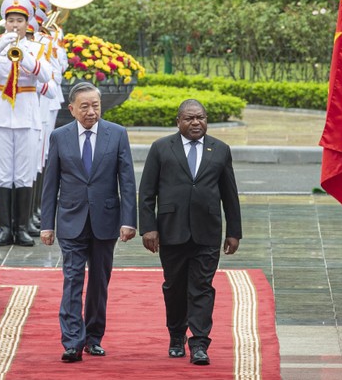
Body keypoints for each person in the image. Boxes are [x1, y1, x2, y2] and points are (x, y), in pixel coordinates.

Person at [138, 99, 242, 366]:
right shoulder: (161, 148)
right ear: (178, 122)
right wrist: (148, 228)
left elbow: (230, 194)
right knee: (174, 287)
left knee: (202, 287)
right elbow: (147, 192)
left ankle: (199, 343)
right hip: (171, 231)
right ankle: (176, 336)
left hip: (207, 232)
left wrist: (234, 231)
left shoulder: (220, 149)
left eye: (201, 118)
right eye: (189, 118)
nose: (196, 123)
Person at [40, 81, 137, 362]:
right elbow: (51, 183)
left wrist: (128, 220)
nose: (91, 111)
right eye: (85, 106)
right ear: (71, 109)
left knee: (98, 281)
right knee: (72, 279)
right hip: (71, 219)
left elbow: (127, 181)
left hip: (106, 220)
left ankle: (93, 338)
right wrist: (47, 224)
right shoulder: (59, 136)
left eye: (95, 105)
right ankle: (72, 340)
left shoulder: (117, 134)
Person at [0, 0, 52, 247]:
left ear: (28, 23)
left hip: (27, 115)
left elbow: (46, 77)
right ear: (4, 22)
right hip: (0, 114)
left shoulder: (36, 47)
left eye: (19, 20)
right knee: (3, 174)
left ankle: (21, 227)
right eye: (11, 20)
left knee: (25, 173)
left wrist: (24, 54)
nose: (15, 25)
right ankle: (4, 228)